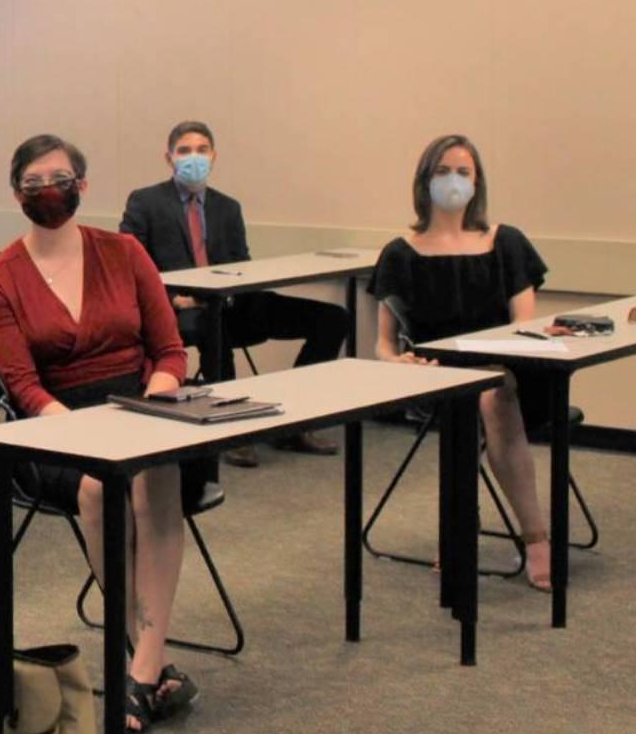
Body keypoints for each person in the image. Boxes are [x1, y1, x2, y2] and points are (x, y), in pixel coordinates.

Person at [0, 134, 199, 734]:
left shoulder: (124, 252)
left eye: (61, 178)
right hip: (54, 429)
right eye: (35, 182)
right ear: (16, 193)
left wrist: (156, 394)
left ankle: (144, 669)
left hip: (140, 407)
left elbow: (169, 350)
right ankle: (146, 656)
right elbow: (22, 385)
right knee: (101, 488)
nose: (49, 190)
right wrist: (78, 431)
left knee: (158, 470)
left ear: (83, 185)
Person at [371, 134, 553, 591]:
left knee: (494, 395)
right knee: (467, 400)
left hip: (508, 372)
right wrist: (401, 365)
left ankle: (536, 539)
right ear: (424, 180)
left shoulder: (506, 242)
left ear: (477, 182)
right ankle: (459, 531)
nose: (453, 181)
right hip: (438, 377)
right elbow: (383, 345)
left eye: (463, 172)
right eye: (443, 172)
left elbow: (522, 326)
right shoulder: (400, 252)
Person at [121, 120, 343, 466]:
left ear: (214, 156)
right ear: (169, 158)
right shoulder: (146, 201)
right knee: (214, 326)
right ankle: (230, 431)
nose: (193, 157)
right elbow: (130, 267)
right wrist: (173, 299)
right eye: (184, 150)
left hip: (231, 303)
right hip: (178, 312)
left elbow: (242, 264)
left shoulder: (228, 207)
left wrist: (228, 294)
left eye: (201, 150)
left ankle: (297, 424)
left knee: (331, 318)